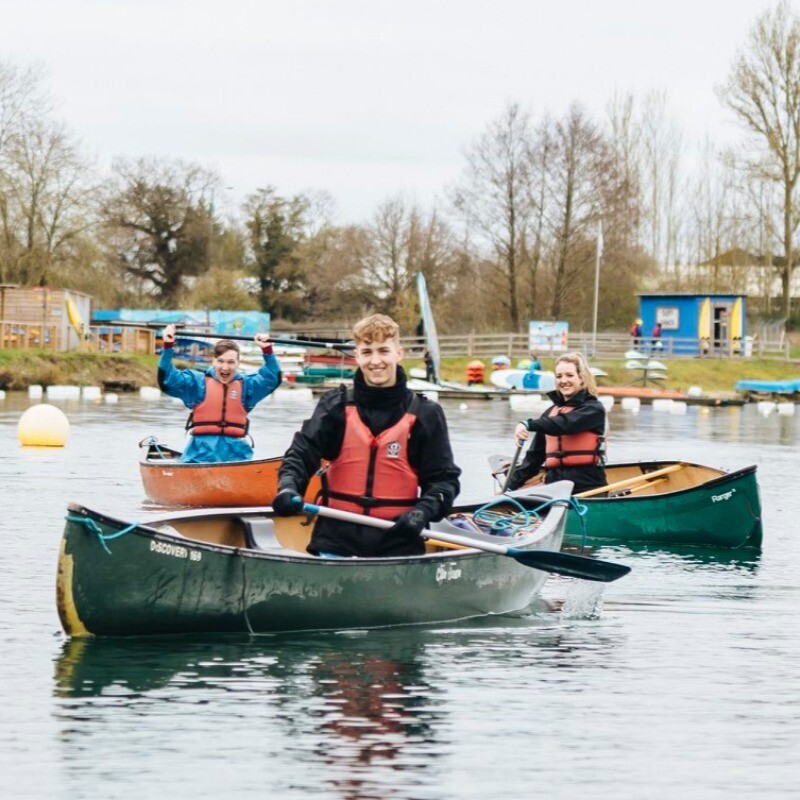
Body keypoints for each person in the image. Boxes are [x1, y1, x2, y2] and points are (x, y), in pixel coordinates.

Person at [272, 313, 461, 558]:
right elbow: (300, 455)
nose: (376, 361)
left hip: (398, 543)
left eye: (383, 351)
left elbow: (445, 481)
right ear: (357, 356)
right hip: (335, 541)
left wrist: (422, 512)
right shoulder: (335, 406)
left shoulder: (426, 414)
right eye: (367, 352)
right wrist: (288, 487)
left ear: (399, 353)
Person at [157, 323, 282, 463]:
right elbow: (168, 380)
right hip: (199, 455)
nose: (225, 367)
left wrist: (267, 350)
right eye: (221, 361)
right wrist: (168, 346)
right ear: (213, 361)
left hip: (236, 455)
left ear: (238, 363)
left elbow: (272, 378)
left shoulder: (247, 386)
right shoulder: (197, 383)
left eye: (231, 362)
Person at [505, 352, 607, 494]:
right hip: (554, 488)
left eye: (569, 375)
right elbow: (534, 458)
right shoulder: (550, 414)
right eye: (559, 376)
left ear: (581, 378)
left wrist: (527, 424)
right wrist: (510, 486)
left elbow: (565, 424)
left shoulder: (594, 409)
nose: (563, 381)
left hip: (587, 487)